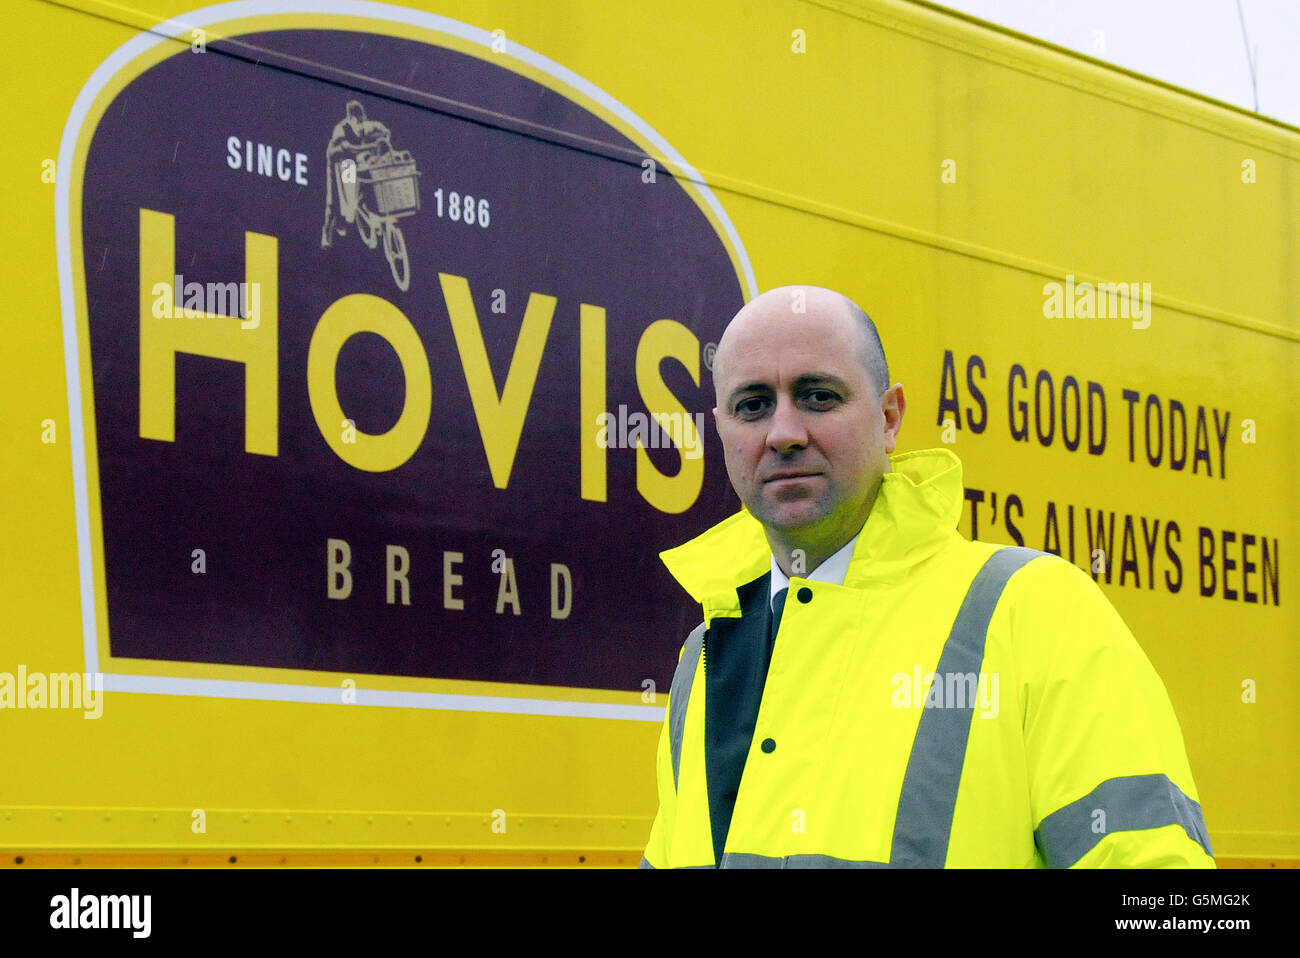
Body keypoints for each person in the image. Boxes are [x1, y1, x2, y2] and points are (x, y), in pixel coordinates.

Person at [639, 285, 1214, 868]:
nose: (783, 432)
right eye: (753, 405)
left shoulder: (1033, 609)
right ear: (722, 430)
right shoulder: (709, 653)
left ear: (889, 418)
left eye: (817, 396)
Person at [321, 100, 391, 249]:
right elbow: (350, 149)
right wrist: (372, 146)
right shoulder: (340, 130)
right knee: (333, 202)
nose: (360, 124)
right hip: (338, 163)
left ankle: (369, 216)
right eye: (358, 121)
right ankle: (327, 234)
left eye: (362, 121)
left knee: (367, 185)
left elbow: (384, 131)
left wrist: (383, 138)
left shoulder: (365, 126)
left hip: (353, 161)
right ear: (351, 118)